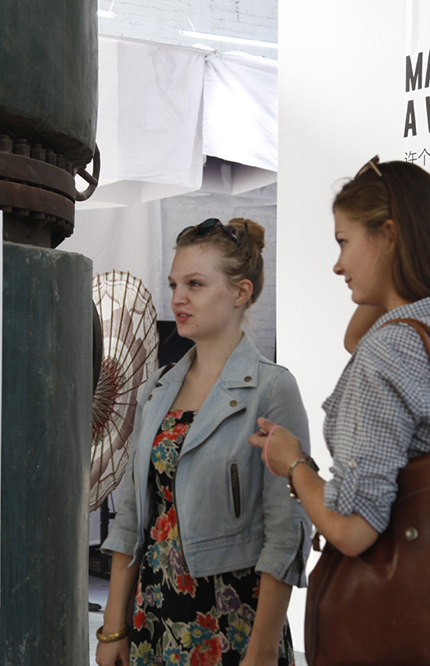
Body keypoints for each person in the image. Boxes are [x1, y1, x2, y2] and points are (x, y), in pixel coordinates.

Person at [249, 156, 430, 559]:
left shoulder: (390, 349)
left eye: (343, 241)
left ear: (389, 235)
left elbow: (352, 530)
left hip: (404, 583)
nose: (337, 265)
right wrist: (425, 236)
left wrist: (294, 463)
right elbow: (354, 338)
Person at [97, 218, 312, 666]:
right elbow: (132, 519)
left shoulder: (272, 389)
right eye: (174, 284)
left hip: (232, 620)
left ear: (240, 292)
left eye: (194, 284)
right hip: (153, 616)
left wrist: (262, 650)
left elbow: (286, 533)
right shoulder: (157, 388)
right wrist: (114, 627)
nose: (178, 298)